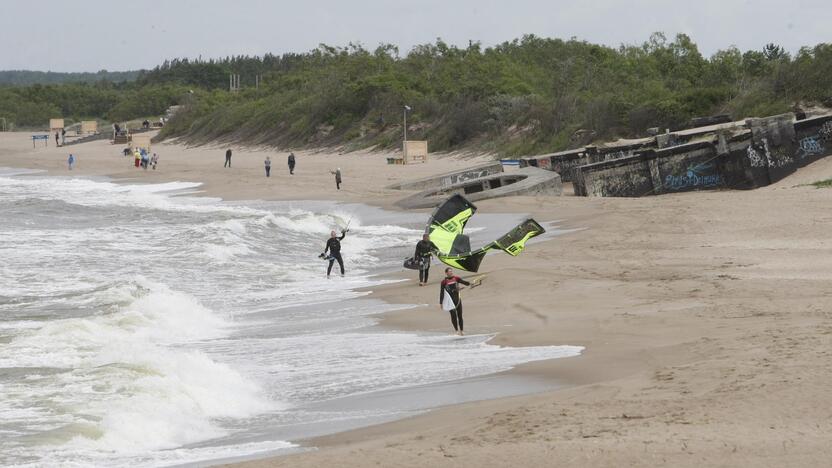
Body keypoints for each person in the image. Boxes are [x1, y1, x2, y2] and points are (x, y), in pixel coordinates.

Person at [439, 268, 471, 336]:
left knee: (460, 315)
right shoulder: (444, 282)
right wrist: (441, 302)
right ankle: (456, 330)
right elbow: (442, 293)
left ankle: (462, 331)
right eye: (449, 271)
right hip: (450, 301)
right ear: (446, 273)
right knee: (453, 316)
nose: (451, 272)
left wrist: (469, 283)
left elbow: (464, 282)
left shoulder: (456, 278)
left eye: (451, 271)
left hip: (458, 300)